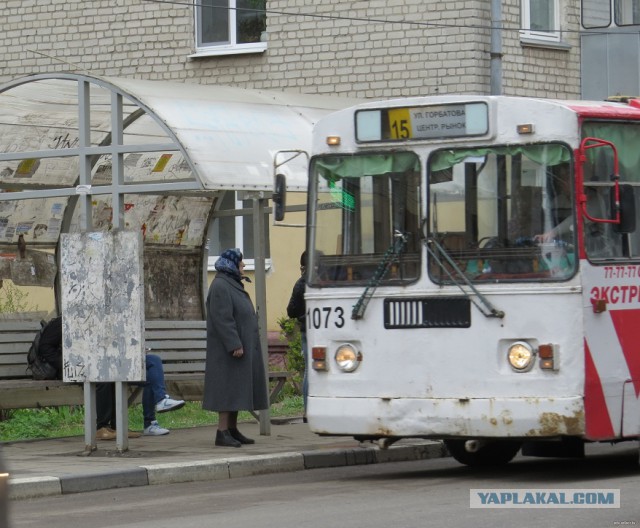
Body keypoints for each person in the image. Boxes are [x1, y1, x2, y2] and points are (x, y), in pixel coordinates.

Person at [202, 248, 268, 448]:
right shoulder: (221, 286)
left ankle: (232, 429)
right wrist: (234, 344)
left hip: (240, 349)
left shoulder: (230, 283)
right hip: (228, 352)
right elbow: (223, 319)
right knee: (227, 391)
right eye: (241, 264)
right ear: (232, 265)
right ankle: (222, 432)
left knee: (237, 390)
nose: (244, 267)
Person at [95, 354, 186, 439]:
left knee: (154, 360)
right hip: (97, 364)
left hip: (122, 362)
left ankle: (154, 414)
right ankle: (103, 427)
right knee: (105, 379)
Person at [286, 251, 308, 422]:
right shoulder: (325, 280)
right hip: (323, 330)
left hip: (306, 330)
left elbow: (291, 311)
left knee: (309, 370)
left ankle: (307, 410)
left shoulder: (300, 283)